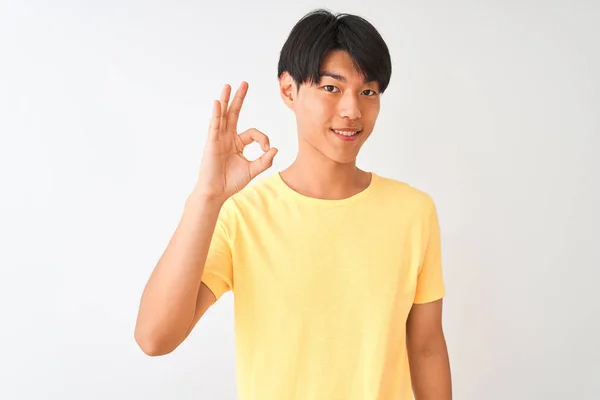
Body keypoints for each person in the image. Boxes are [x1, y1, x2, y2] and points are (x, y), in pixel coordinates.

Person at [135, 9, 452, 400]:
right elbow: (154, 337)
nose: (353, 110)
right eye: (332, 88)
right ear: (289, 90)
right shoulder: (244, 216)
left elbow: (426, 347)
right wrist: (206, 198)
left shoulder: (414, 212)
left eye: (368, 91)